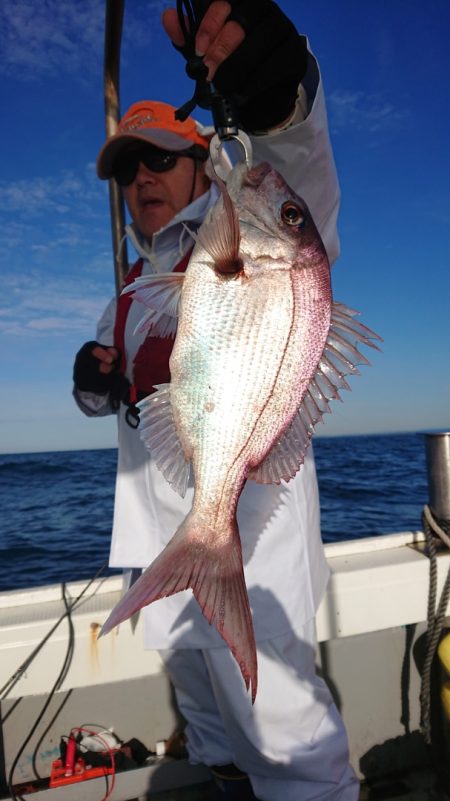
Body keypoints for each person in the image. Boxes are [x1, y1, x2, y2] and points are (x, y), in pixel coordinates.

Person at [73, 2, 359, 799]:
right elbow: (112, 402)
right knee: (209, 734)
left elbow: (302, 180)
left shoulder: (243, 229)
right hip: (162, 541)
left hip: (248, 540)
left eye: (161, 158)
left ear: (203, 162)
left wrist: (277, 102)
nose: (143, 181)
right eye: (129, 171)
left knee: (288, 747)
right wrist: (91, 380)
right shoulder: (129, 289)